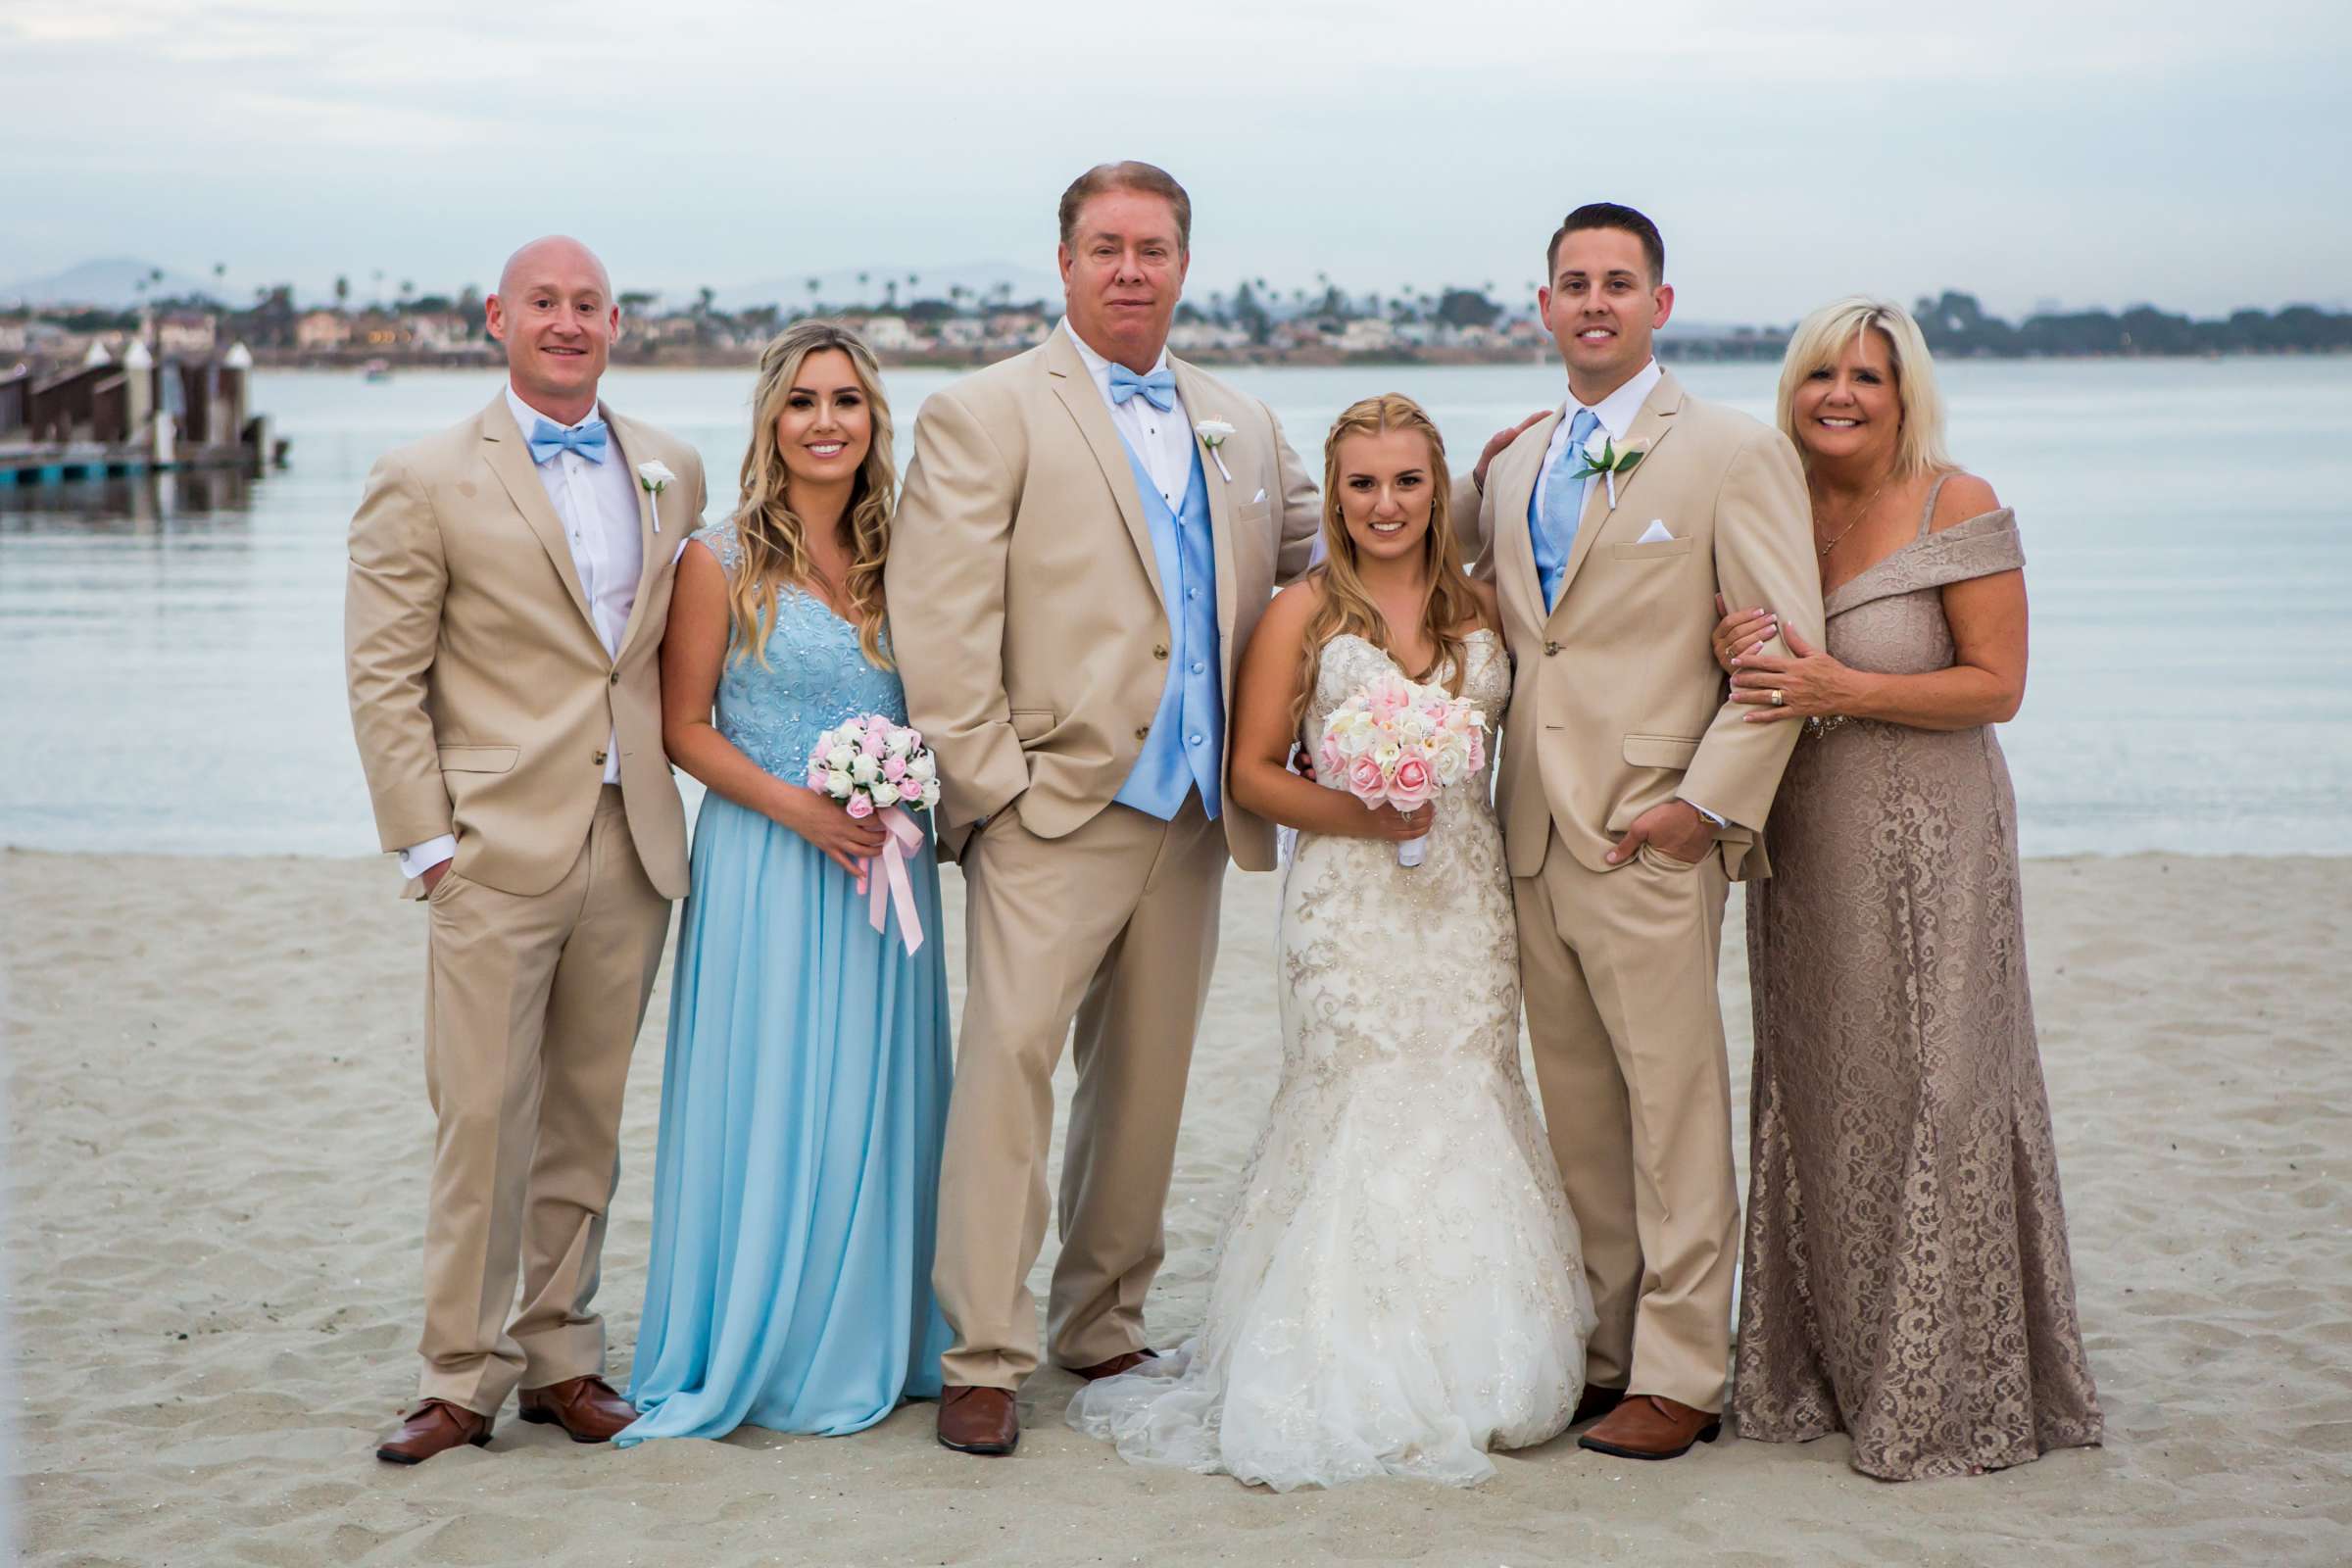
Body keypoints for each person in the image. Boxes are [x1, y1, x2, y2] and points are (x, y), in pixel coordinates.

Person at [1067, 394, 1593, 1489]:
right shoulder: (1300, 612)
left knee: (1469, 1087)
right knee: (1356, 1093)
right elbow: (1251, 770)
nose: (1386, 504)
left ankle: (1481, 1353)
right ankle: (1336, 1350)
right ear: (1337, 494)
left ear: (1437, 490)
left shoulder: (1487, 611)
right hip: (1348, 902)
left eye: (1408, 482)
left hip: (1463, 897)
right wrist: (1366, 810)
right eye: (1362, 483)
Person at [885, 160, 1321, 1456]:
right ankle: (982, 1350)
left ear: (1186, 266)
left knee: (1144, 1085)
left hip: (1193, 812)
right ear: (1064, 263)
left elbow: (1331, 553)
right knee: (1011, 1072)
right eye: (1107, 246)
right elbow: (940, 619)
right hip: (1050, 806)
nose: (1132, 268)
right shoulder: (985, 412)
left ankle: (1102, 1319)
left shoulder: (1241, 419)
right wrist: (996, 791)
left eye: (1154, 248)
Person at [1708, 297, 2103, 1480]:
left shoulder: (1957, 504)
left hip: (1935, 841)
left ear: (1903, 393)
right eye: (1821, 371)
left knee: (1940, 1084)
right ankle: (1817, 1366)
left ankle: (1949, 1387)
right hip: (1807, 840)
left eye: (1867, 377)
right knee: (1822, 1086)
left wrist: (1839, 684)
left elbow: (1998, 687)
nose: (1840, 393)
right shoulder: (1768, 499)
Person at [1463, 202, 1823, 1461]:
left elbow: (1779, 652)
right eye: (1574, 283)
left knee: (1675, 1110)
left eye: (1621, 282)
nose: (1596, 302)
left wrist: (1704, 805)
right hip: (1528, 838)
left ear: (1659, 305)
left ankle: (1681, 1370)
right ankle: (1604, 1354)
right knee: (1581, 1116)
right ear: (1545, 305)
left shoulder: (1729, 451)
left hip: (1650, 831)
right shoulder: (1512, 463)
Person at [346, 236, 702, 1463]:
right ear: (496, 316)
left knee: (587, 1118)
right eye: (543, 303)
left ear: (617, 322)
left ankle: (561, 1358)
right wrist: (427, 844)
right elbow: (384, 676)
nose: (567, 321)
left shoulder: (670, 467)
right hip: (493, 845)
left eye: (588, 304)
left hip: (634, 834)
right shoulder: (423, 474)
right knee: (482, 1115)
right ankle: (459, 1374)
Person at [617, 321, 954, 1445]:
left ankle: (872, 1331)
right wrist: (802, 808)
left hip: (886, 864)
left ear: (874, 420)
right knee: (773, 1094)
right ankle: (765, 1335)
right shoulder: (717, 560)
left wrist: (897, 800)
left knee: (877, 1090)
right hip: (770, 859)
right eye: (804, 401)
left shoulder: (915, 554)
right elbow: (681, 727)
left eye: (847, 400)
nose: (826, 421)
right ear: (771, 419)